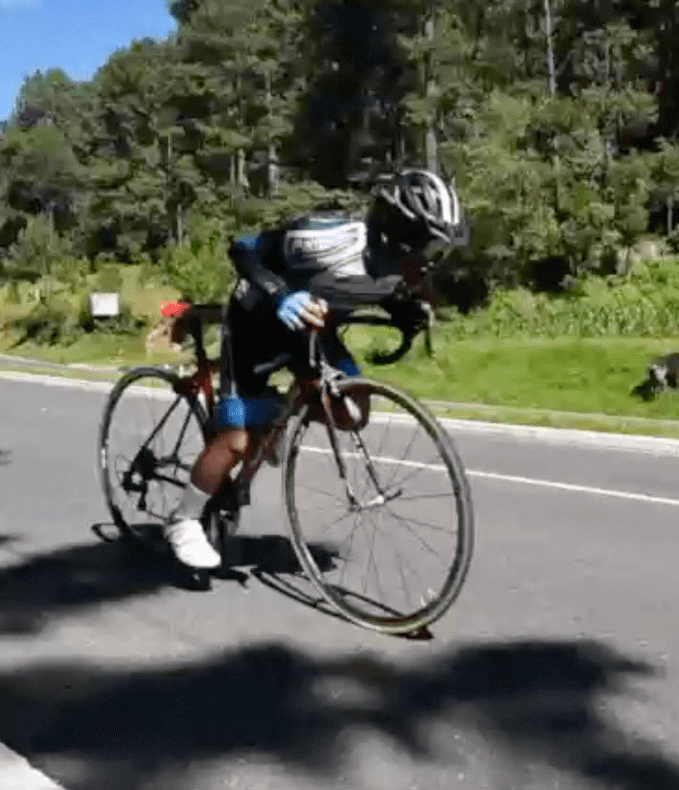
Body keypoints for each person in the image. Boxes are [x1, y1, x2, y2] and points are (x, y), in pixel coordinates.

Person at [164, 168, 468, 569]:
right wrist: (281, 296)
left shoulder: (401, 268)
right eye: (428, 248)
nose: (432, 262)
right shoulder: (323, 239)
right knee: (236, 438)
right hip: (255, 324)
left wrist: (402, 311)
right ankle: (183, 519)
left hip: (313, 330)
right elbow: (243, 248)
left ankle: (279, 415)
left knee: (352, 411)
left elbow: (367, 287)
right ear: (397, 236)